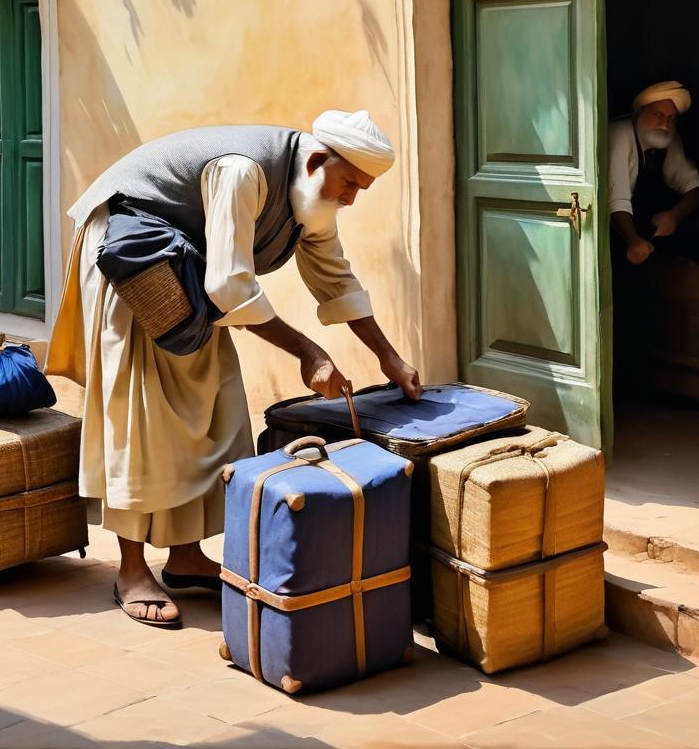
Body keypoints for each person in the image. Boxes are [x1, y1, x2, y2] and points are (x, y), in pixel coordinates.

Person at [46, 110, 423, 629]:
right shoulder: (243, 172)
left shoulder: (311, 199)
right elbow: (229, 288)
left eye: (362, 188)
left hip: (187, 272)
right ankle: (131, 571)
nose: (352, 198)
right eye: (350, 183)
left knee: (215, 407)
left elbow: (337, 282)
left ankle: (184, 557)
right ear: (317, 161)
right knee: (143, 416)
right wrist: (308, 352)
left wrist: (390, 357)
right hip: (133, 261)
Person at [608, 81, 699, 266]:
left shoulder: (667, 137)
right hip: (615, 233)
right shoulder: (619, 134)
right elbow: (616, 198)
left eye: (672, 118)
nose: (665, 124)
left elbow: (696, 186)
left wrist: (674, 216)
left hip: (646, 233)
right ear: (639, 113)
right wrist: (633, 241)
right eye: (658, 115)